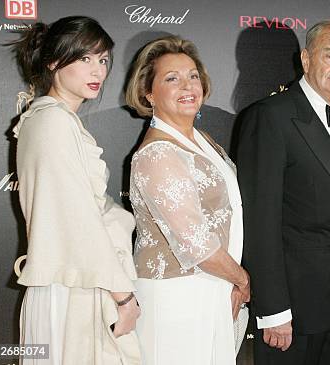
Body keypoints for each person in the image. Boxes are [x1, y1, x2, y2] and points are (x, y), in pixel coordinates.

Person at [8, 16, 141, 365]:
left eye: (103, 60)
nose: (97, 70)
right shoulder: (53, 122)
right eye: (85, 59)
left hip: (77, 278)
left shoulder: (51, 119)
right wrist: (124, 298)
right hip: (74, 285)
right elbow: (78, 219)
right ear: (54, 62)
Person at [236, 20, 330, 365]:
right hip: (294, 312)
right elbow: (260, 222)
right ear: (306, 59)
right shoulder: (270, 117)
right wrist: (274, 310)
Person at [125, 35, 250, 365]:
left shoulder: (199, 138)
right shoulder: (157, 154)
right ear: (148, 93)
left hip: (211, 289)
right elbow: (198, 246)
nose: (188, 86)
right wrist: (242, 279)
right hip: (178, 300)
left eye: (193, 75)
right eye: (172, 78)